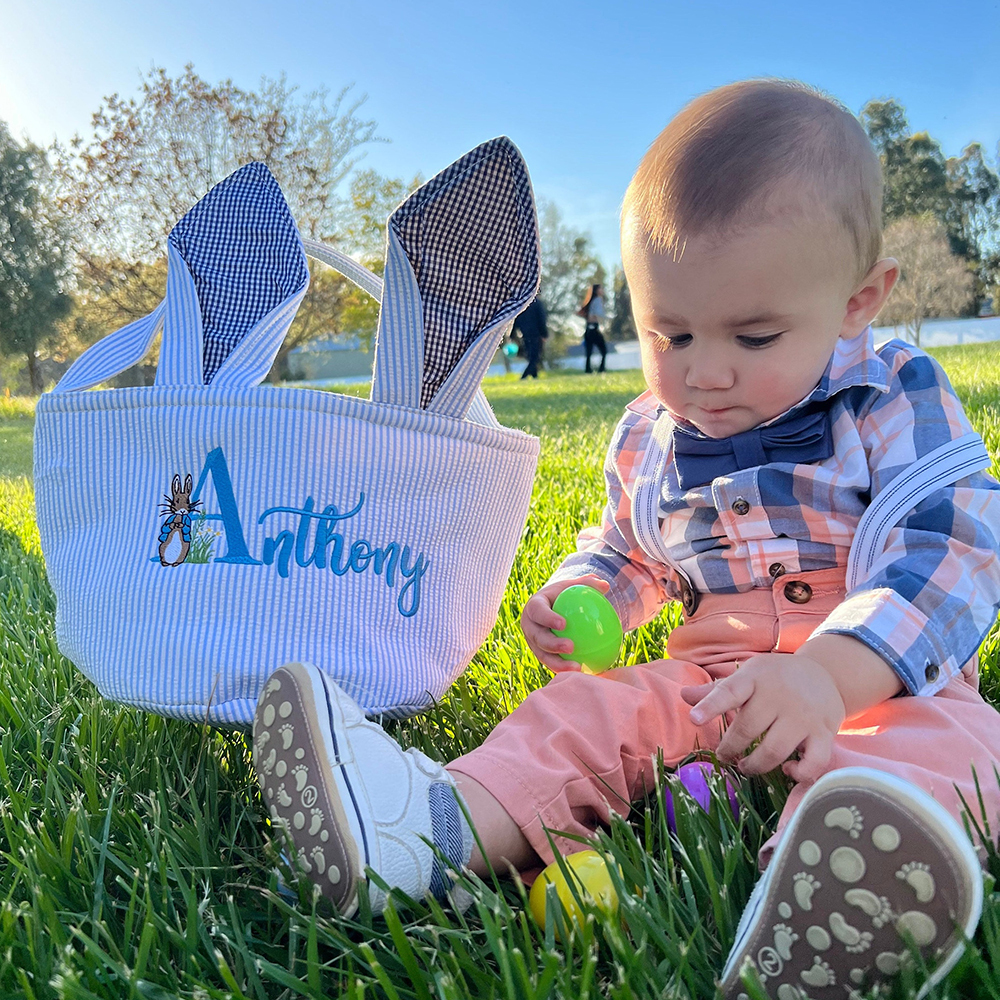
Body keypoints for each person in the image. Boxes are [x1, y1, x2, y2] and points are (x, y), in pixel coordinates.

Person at [252, 79, 1000, 998]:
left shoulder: (895, 396)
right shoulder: (654, 432)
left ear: (857, 301)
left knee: (954, 751)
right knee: (584, 716)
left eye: (755, 336)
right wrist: (588, 596)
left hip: (880, 679)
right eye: (671, 332)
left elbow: (951, 550)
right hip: (712, 684)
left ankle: (821, 905)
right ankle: (428, 827)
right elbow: (631, 549)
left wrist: (828, 676)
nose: (706, 371)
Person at [512, 296, 548, 378]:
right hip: (536, 334)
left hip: (524, 334)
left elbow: (516, 320)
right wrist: (544, 334)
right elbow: (541, 319)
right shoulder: (537, 303)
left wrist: (513, 334)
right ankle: (524, 377)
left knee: (530, 355)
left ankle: (534, 376)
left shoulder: (522, 304)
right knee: (535, 357)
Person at [578, 284, 608, 372]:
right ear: (597, 291)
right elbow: (600, 313)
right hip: (594, 328)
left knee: (589, 352)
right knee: (603, 350)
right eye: (601, 288)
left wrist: (588, 317)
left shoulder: (590, 301)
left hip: (588, 329)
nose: (602, 290)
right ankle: (601, 369)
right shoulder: (598, 300)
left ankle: (588, 369)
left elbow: (579, 313)